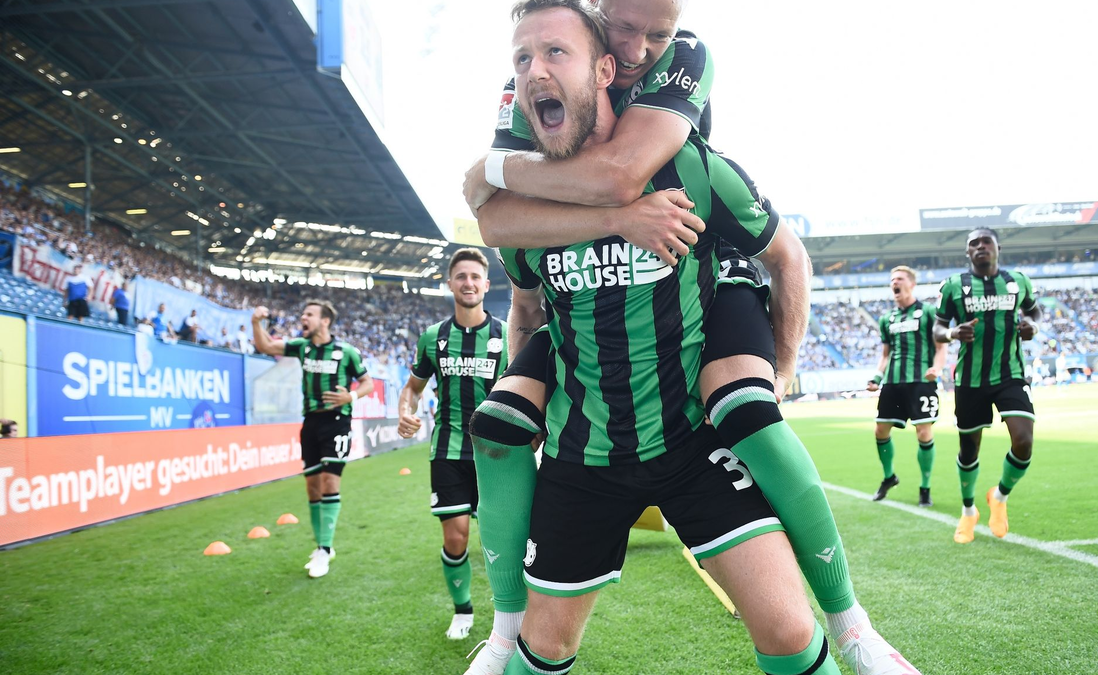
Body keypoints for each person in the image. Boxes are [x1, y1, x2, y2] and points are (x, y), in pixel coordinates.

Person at [463, 1, 913, 674]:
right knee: (543, 646)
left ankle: (853, 627)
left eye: (556, 54)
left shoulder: (695, 167)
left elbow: (785, 255)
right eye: (523, 60)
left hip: (689, 440)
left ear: (605, 70)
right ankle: (502, 638)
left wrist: (781, 367)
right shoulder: (528, 214)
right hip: (584, 457)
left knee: (791, 631)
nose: (535, 72)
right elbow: (525, 301)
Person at [396, 248, 508, 642]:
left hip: (497, 454)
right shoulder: (433, 338)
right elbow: (412, 388)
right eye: (461, 276)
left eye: (475, 276)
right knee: (455, 536)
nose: (468, 283)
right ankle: (462, 611)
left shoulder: (505, 335)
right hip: (447, 450)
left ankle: (509, 616)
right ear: (450, 284)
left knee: (504, 539)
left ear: (486, 284)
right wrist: (405, 412)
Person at [934, 227, 1042, 544]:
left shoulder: (1018, 281)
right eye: (973, 244)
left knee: (1023, 441)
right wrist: (953, 334)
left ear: (997, 248)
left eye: (986, 242)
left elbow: (1034, 310)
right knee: (969, 449)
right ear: (968, 253)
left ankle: (1000, 496)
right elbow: (938, 328)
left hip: (1010, 374)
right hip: (969, 379)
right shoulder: (954, 286)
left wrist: (1032, 326)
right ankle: (969, 511)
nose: (980, 247)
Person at [251, 299, 373, 578]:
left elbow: (367, 382)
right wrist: (256, 323)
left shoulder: (347, 352)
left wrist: (349, 396)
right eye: (302, 313)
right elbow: (266, 346)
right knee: (313, 488)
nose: (303, 318)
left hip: (338, 422)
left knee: (330, 481)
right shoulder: (301, 347)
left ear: (325, 321)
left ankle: (324, 548)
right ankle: (322, 547)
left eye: (309, 314)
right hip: (310, 423)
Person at [866, 266, 947, 507]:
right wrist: (877, 378)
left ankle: (925, 487)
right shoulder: (886, 319)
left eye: (899, 279)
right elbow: (885, 355)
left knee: (923, 432)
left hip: (922, 381)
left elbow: (941, 347)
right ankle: (889, 477)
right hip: (893, 382)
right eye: (892, 280)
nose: (895, 283)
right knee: (880, 431)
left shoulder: (929, 312)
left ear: (911, 284)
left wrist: (937, 369)